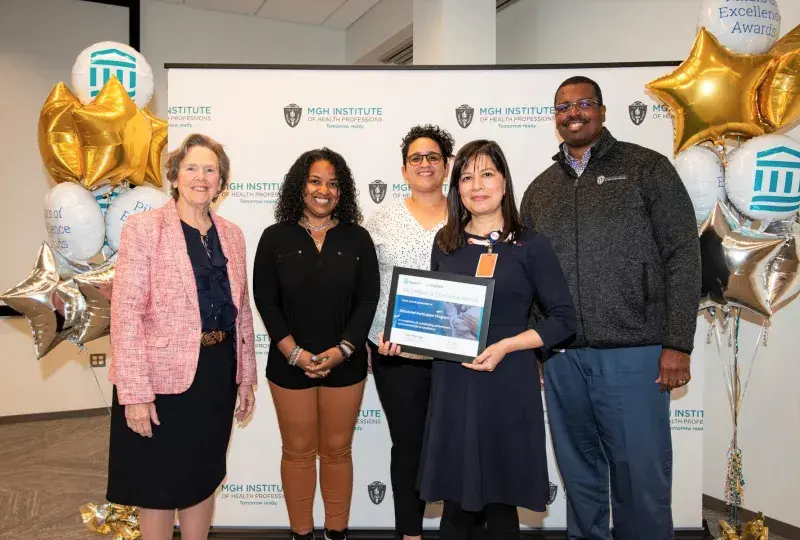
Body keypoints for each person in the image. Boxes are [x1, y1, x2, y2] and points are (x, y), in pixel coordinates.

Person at [520, 76, 701, 540]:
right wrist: (537, 345)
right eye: (563, 107)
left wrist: (678, 342)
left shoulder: (647, 168)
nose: (572, 113)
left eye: (583, 104)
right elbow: (527, 276)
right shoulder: (539, 190)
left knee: (640, 477)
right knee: (580, 479)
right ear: (555, 117)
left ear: (601, 110)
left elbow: (683, 253)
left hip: (635, 352)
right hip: (562, 358)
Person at [379, 140, 576, 540]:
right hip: (453, 384)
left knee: (501, 504)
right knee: (456, 503)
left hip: (506, 380)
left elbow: (564, 320)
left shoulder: (531, 246)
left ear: (504, 182)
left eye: (487, 174)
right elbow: (442, 320)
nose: (477, 185)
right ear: (457, 188)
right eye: (467, 177)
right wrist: (405, 340)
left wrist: (507, 346)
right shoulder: (446, 244)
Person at [107, 133, 257, 540]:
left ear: (221, 181)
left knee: (203, 477)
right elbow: (126, 313)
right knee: (156, 486)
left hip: (216, 375)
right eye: (192, 168)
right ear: (174, 176)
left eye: (211, 169)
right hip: (159, 380)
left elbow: (241, 313)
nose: (201, 177)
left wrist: (245, 378)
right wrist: (134, 393)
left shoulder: (232, 234)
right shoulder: (143, 229)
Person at [253, 148, 379, 540]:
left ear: (343, 192)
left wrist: (343, 350)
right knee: (298, 451)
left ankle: (337, 531)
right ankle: (301, 533)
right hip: (288, 364)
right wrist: (294, 352)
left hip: (346, 364)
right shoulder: (275, 237)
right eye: (315, 181)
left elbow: (367, 300)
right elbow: (265, 299)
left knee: (338, 450)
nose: (324, 190)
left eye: (333, 183)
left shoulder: (358, 238)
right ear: (300, 186)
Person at [364, 124, 455, 540]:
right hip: (395, 352)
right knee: (409, 446)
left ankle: (457, 530)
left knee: (456, 443)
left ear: (447, 165)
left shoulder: (467, 214)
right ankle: (410, 534)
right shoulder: (379, 218)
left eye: (433, 156)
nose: (425, 164)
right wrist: (373, 335)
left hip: (456, 355)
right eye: (416, 158)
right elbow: (365, 286)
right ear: (403, 169)